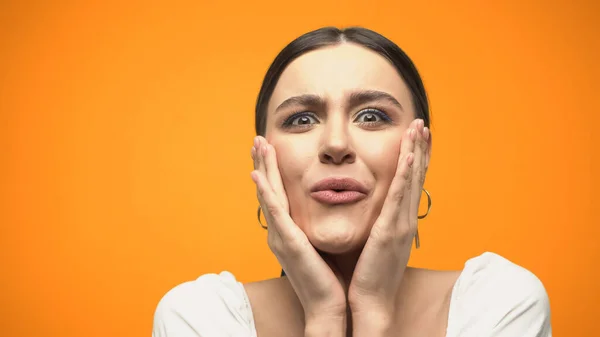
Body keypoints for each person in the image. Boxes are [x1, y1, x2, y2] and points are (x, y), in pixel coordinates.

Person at [152, 26, 552, 337]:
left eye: (372, 116)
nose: (336, 144)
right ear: (263, 157)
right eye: (301, 119)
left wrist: (373, 310)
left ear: (421, 154)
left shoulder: (499, 303)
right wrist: (325, 317)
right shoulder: (200, 317)